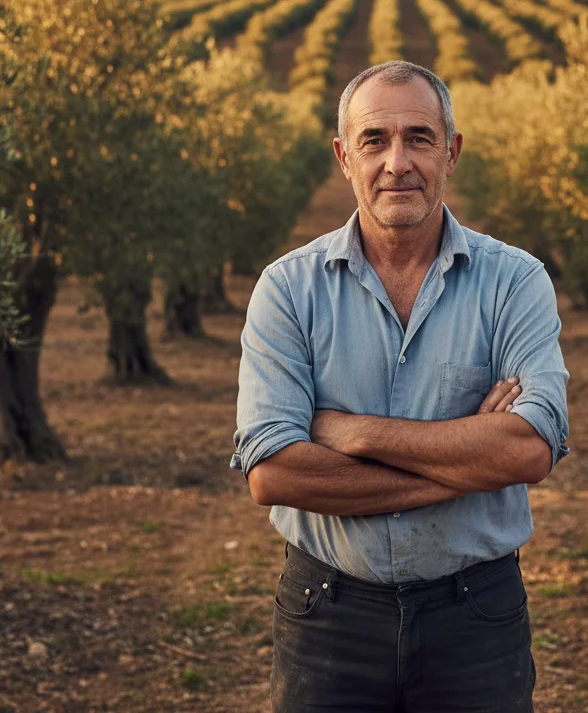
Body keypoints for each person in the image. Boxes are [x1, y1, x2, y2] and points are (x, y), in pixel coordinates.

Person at [231, 60, 570, 712]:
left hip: (476, 617)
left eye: (419, 138)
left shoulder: (515, 281)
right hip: (328, 616)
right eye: (374, 141)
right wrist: (467, 465)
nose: (398, 163)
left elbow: (529, 451)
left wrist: (351, 432)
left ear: (452, 152)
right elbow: (273, 474)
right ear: (343, 157)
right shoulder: (288, 290)